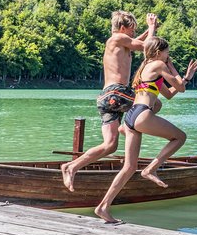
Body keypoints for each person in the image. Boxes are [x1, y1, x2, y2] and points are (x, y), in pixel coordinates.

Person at [94, 36, 197, 224]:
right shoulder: (159, 64)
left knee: (129, 167)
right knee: (180, 137)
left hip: (131, 116)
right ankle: (150, 169)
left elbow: (170, 93)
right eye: (167, 52)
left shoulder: (145, 67)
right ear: (159, 52)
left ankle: (103, 207)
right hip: (142, 114)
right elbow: (181, 88)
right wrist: (178, 71)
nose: (168, 55)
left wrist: (183, 78)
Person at [61, 11, 158, 191]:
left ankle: (71, 167)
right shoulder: (116, 39)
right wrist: (151, 28)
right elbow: (148, 48)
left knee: (110, 145)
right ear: (122, 28)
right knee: (154, 103)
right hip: (118, 92)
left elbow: (136, 42)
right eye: (132, 30)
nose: (133, 34)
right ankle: (127, 127)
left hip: (107, 97)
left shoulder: (122, 42)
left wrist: (148, 30)